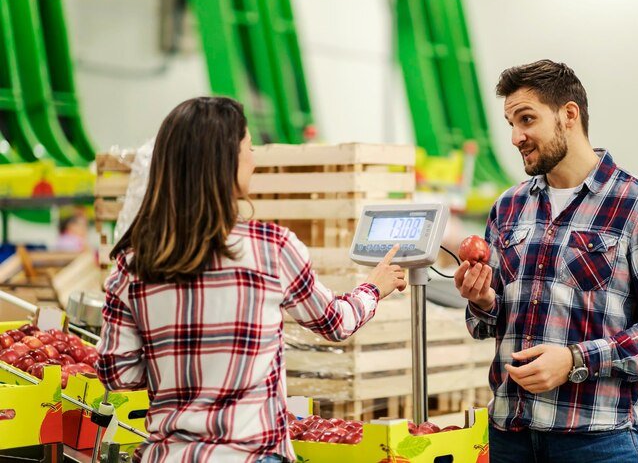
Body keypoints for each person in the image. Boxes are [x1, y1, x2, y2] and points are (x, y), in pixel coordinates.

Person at [96, 97, 407, 463]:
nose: (254, 160)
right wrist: (373, 288)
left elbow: (119, 374)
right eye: (249, 148)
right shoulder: (272, 248)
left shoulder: (132, 264)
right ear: (227, 161)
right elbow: (335, 322)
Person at [454, 60, 638, 462]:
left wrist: (575, 360)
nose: (515, 137)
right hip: (508, 437)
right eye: (510, 123)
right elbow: (488, 324)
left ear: (569, 114)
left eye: (526, 119)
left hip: (598, 441)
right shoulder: (508, 207)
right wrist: (481, 301)